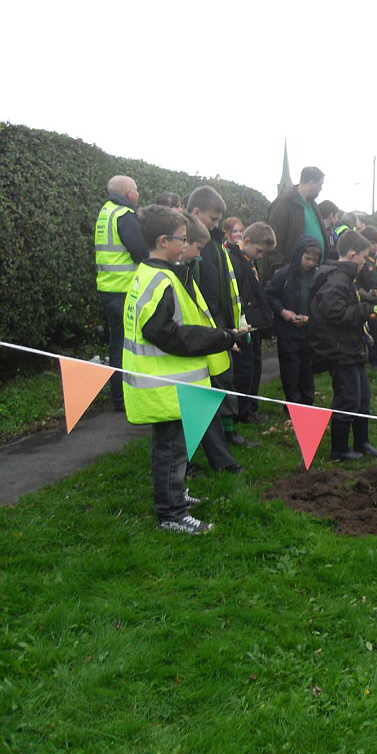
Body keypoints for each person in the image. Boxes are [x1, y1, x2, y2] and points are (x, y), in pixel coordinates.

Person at [122, 205, 239, 534]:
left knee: (175, 450)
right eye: (183, 239)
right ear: (163, 241)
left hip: (170, 386)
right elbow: (167, 334)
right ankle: (171, 514)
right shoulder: (160, 280)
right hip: (165, 387)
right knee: (170, 452)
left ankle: (177, 496)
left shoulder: (155, 274)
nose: (188, 246)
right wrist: (218, 339)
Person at [309, 229, 377, 462]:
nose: (365, 262)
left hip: (351, 346)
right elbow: (335, 312)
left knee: (363, 396)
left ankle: (362, 442)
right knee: (348, 398)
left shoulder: (346, 277)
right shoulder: (336, 278)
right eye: (364, 257)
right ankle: (339, 450)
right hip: (337, 348)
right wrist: (368, 310)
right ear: (353, 255)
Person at [188, 186, 251, 449]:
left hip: (221, 322)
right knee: (208, 384)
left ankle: (227, 432)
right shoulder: (194, 246)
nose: (217, 225)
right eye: (213, 219)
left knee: (225, 376)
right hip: (204, 323)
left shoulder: (215, 244)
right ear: (196, 212)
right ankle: (203, 439)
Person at [94, 175, 148, 410]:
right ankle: (124, 397)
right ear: (128, 193)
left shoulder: (105, 212)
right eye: (136, 190)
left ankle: (119, 396)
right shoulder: (124, 216)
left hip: (108, 288)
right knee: (127, 345)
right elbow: (141, 252)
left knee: (117, 343)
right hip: (124, 290)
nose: (138, 194)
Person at [227, 222, 276, 425]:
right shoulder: (235, 262)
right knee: (245, 369)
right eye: (259, 251)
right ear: (246, 242)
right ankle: (242, 411)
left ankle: (250, 407)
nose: (260, 256)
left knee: (255, 366)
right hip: (243, 324)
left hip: (254, 324)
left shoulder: (248, 259)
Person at [266, 236, 321, 405]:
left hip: (308, 331)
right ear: (299, 255)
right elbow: (271, 295)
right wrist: (283, 312)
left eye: (314, 260)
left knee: (307, 368)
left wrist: (310, 319)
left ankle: (307, 401)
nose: (310, 263)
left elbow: (323, 302)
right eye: (307, 258)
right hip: (288, 332)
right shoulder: (284, 274)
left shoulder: (319, 276)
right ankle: (292, 403)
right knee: (290, 369)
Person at [264, 166, 329, 281]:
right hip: (292, 274)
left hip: (313, 272)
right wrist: (279, 267)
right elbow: (273, 236)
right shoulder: (285, 202)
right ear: (312, 182)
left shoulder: (313, 206)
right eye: (321, 185)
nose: (321, 189)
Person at [357, 226, 377, 370]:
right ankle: (375, 361)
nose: (375, 245)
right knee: (374, 333)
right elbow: (356, 284)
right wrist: (365, 294)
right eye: (371, 242)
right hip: (368, 305)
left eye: (376, 242)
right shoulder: (361, 261)